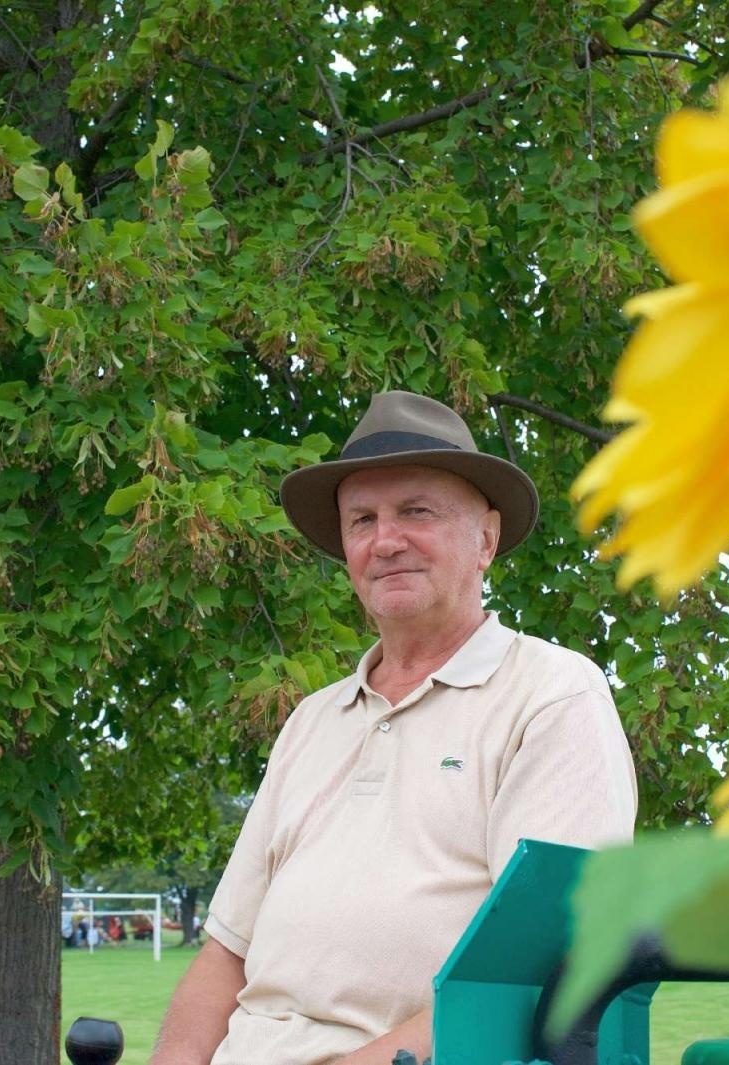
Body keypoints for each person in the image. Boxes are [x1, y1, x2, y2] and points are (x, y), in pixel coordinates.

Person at [148, 391, 638, 1065]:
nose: (385, 540)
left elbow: (526, 973)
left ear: (485, 539)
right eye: (362, 519)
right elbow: (225, 953)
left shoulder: (551, 695)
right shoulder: (311, 720)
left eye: (416, 511)